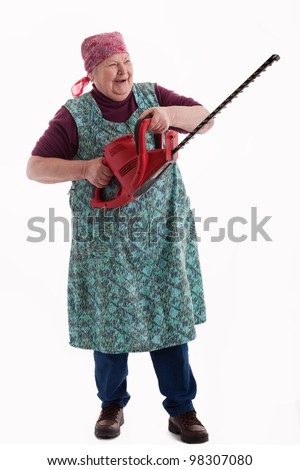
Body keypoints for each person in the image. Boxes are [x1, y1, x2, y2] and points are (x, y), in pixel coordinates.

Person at [26, 31, 214, 444]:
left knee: (168, 315)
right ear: (92, 73)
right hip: (106, 240)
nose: (123, 71)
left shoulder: (152, 95)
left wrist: (169, 114)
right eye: (111, 64)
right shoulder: (74, 114)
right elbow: (35, 167)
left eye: (126, 60)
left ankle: (182, 409)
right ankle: (112, 405)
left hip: (161, 230)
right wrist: (85, 169)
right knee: (111, 321)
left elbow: (207, 117)